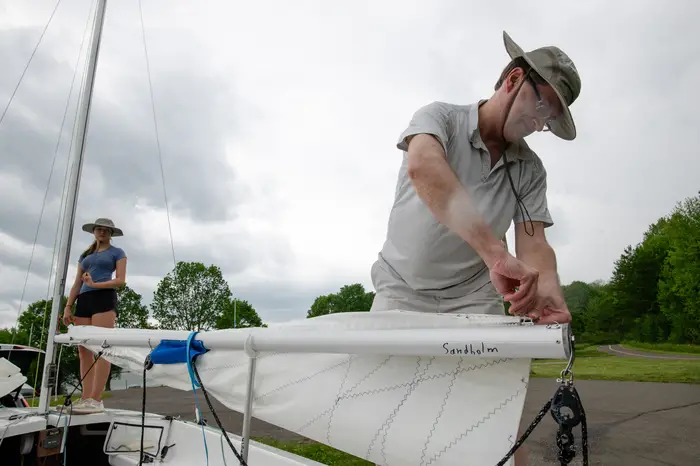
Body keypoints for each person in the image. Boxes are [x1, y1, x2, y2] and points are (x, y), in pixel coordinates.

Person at [370, 31, 581, 464]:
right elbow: (424, 169)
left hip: (474, 297)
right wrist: (495, 253)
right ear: (514, 79)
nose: (539, 126)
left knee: (498, 419)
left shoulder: (528, 168)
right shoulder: (440, 118)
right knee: (391, 424)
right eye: (542, 108)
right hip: (401, 291)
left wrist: (550, 293)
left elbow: (535, 243)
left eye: (549, 120)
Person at [62, 218, 127, 414]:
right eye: (99, 229)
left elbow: (120, 281)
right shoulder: (86, 255)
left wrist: (95, 284)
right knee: (84, 351)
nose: (102, 232)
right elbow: (76, 283)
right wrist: (68, 307)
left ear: (111, 233)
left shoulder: (117, 252)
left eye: (106, 230)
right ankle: (85, 398)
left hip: (104, 298)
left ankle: (96, 399)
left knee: (101, 349)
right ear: (94, 231)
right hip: (84, 300)